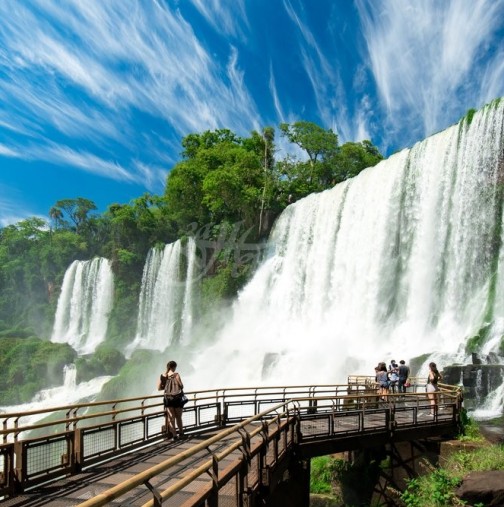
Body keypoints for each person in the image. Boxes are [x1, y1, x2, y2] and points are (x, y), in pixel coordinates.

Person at [158, 360, 185, 440]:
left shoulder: (162, 375)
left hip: (168, 399)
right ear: (174, 367)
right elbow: (181, 386)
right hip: (176, 398)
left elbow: (159, 388)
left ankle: (174, 436)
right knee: (178, 417)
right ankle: (181, 433)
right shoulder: (176, 374)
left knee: (171, 418)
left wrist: (167, 386)